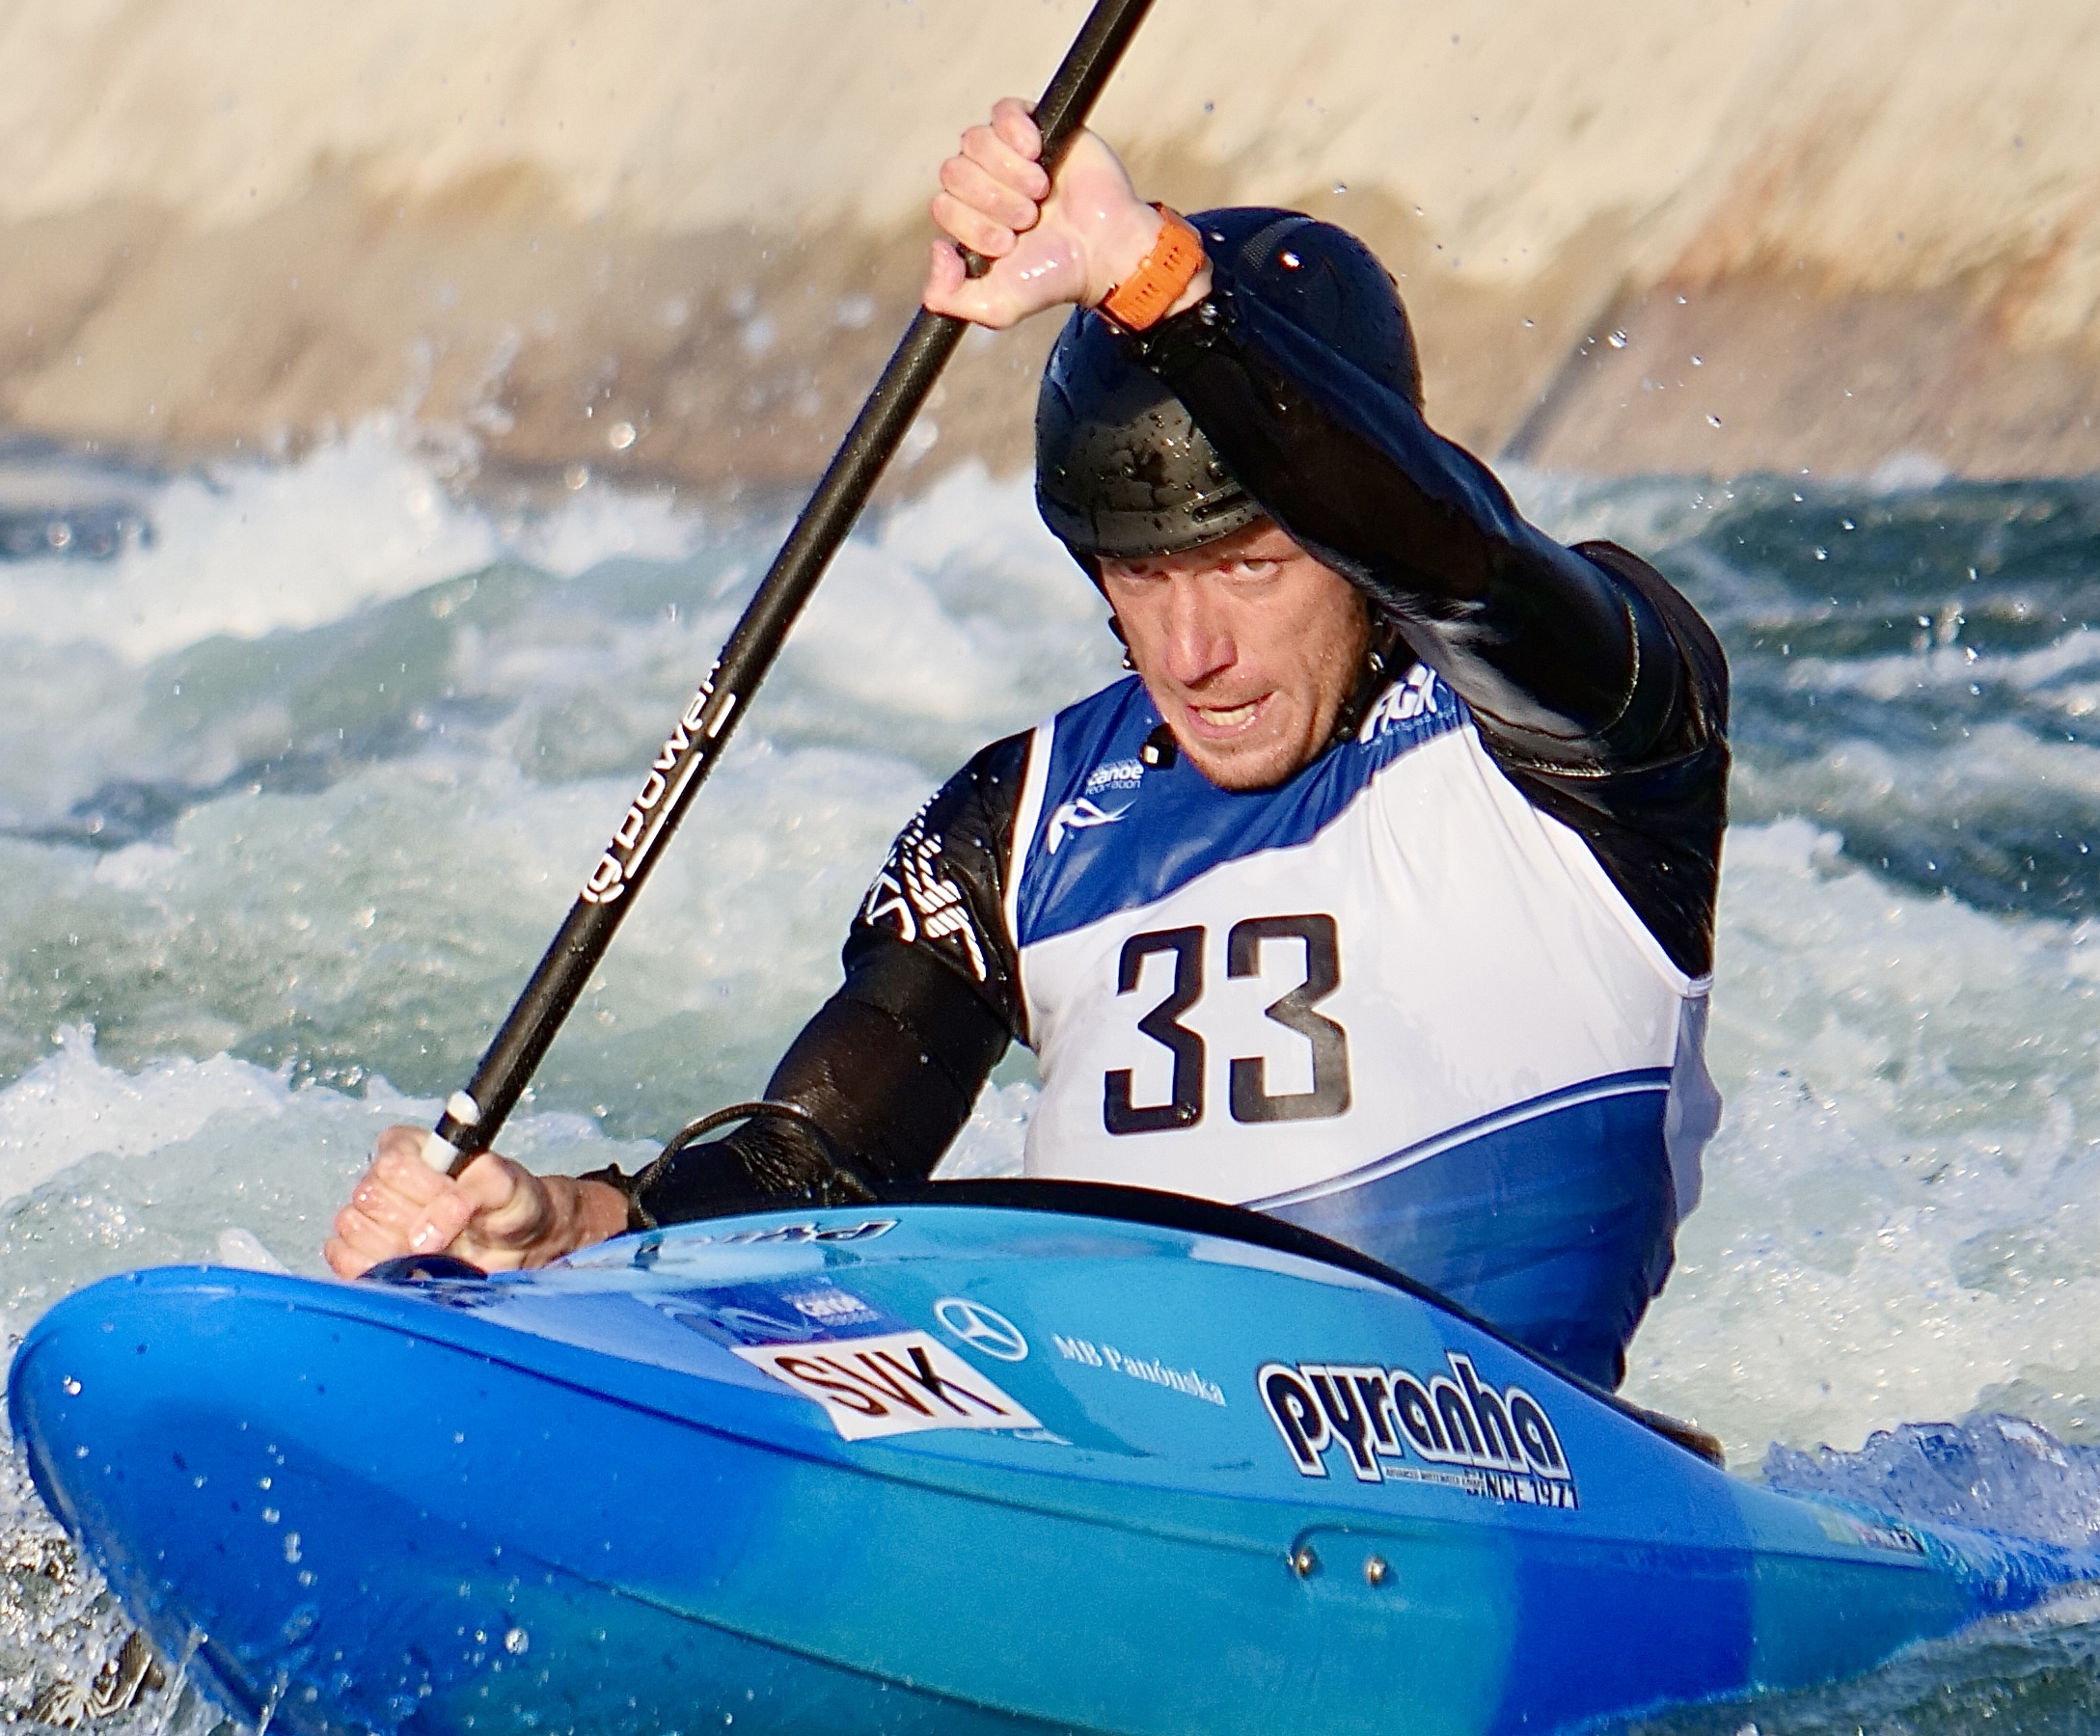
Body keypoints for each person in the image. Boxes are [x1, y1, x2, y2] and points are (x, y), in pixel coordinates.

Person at [320, 97, 1731, 1387]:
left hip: (1501, 1478)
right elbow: (812, 1174)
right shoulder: (1020, 821)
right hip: (1111, 1444)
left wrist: (1145, 272)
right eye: (1142, 574)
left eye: (1249, 566)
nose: (1195, 653)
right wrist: (559, 1226)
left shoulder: (1587, 723)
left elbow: (1458, 550)